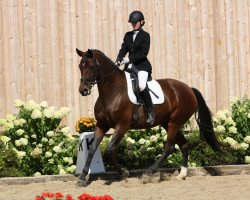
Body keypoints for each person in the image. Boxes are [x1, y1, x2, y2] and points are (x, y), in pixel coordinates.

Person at [115, 10, 155, 124]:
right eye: (132, 23)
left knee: (141, 85)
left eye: (135, 22)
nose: (133, 25)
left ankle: (151, 112)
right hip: (130, 67)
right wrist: (118, 59)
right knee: (122, 84)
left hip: (142, 66)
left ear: (142, 22)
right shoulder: (127, 35)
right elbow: (123, 49)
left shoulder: (145, 36)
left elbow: (143, 53)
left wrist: (129, 59)